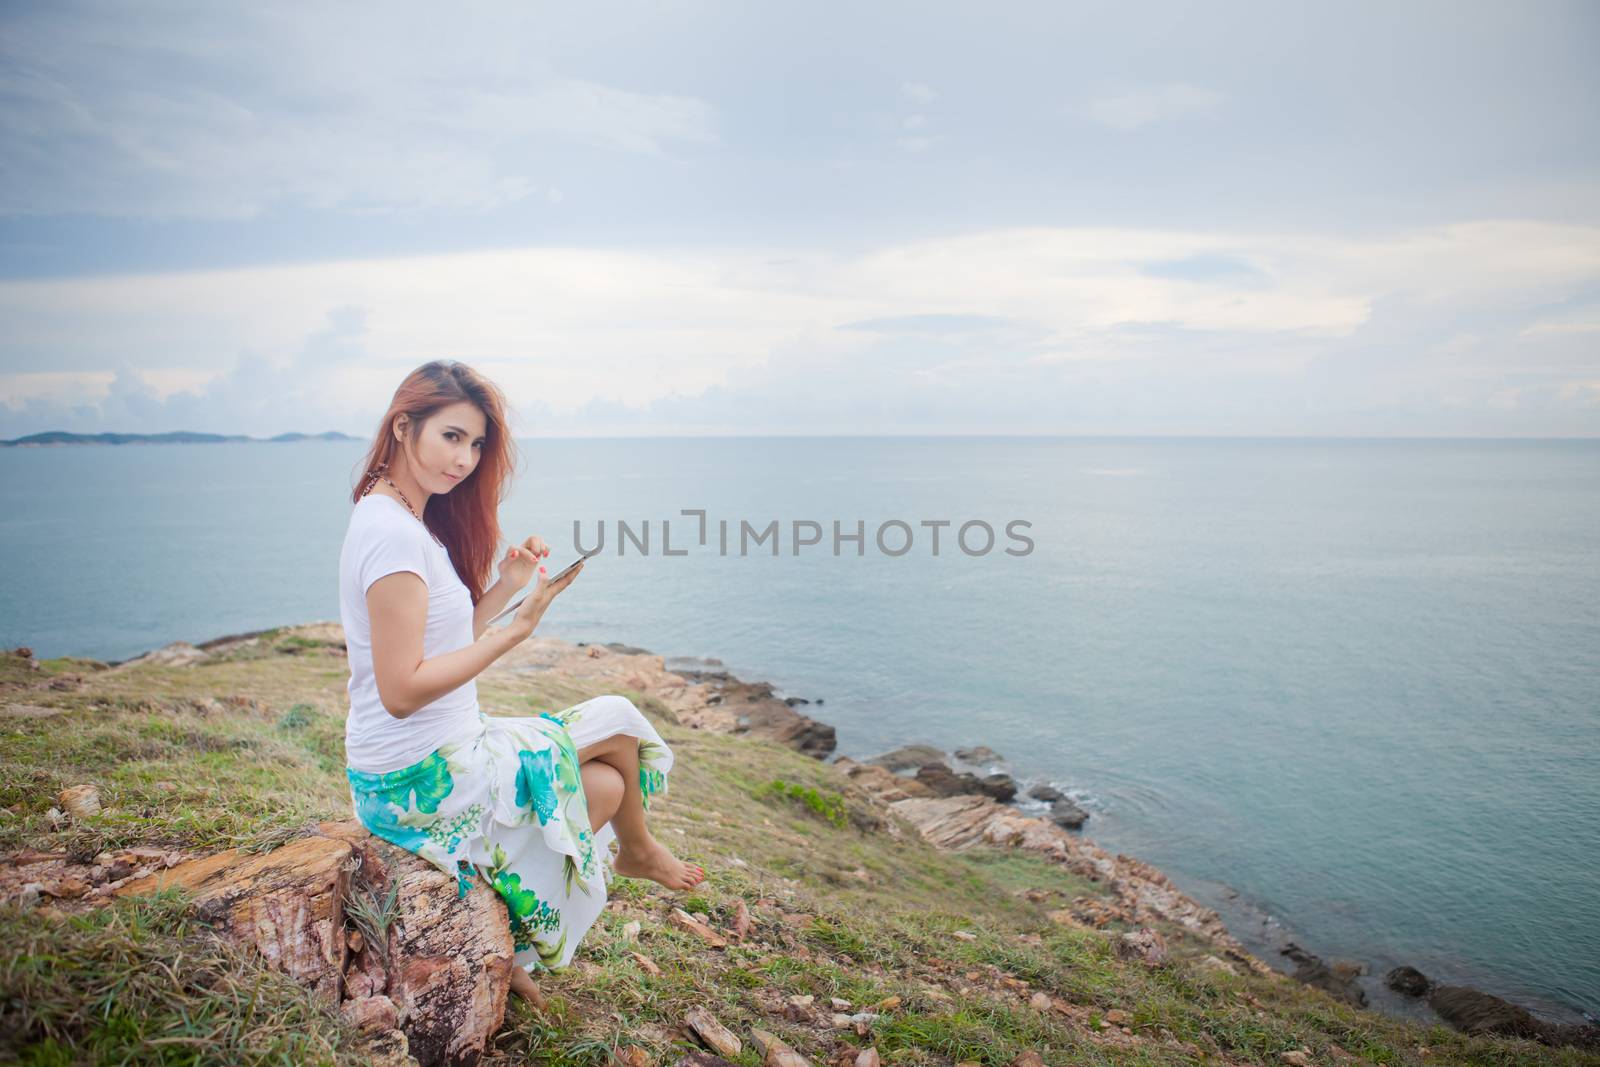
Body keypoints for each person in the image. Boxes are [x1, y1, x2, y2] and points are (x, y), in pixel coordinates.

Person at [338, 359, 704, 1005]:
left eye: (476, 443)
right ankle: (640, 851)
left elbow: (440, 642)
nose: (465, 458)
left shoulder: (402, 518)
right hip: (417, 775)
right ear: (403, 425)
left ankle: (514, 944)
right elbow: (400, 692)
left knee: (605, 784)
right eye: (452, 436)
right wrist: (514, 632)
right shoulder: (391, 533)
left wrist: (506, 588)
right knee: (617, 716)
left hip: (444, 751)